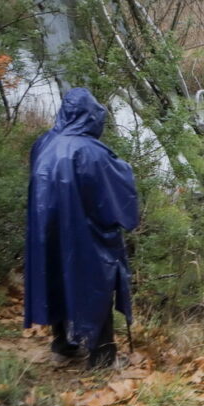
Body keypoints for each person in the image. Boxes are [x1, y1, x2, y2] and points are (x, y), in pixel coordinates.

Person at [24, 87, 139, 368]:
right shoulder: (92, 152)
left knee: (57, 281)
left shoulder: (44, 143)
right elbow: (119, 194)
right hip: (86, 236)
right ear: (91, 118)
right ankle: (102, 358)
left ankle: (63, 347)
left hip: (47, 232)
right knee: (96, 285)